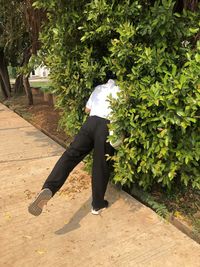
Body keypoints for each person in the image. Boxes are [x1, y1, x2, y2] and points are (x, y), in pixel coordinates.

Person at [28, 76, 120, 216]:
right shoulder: (122, 91)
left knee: (69, 156)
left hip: (89, 124)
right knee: (100, 165)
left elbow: (87, 110)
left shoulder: (98, 89)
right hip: (106, 126)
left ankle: (49, 188)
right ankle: (97, 205)